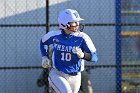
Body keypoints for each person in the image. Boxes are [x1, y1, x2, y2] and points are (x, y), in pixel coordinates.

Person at [40, 9, 98, 93]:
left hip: (76, 76)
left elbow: (95, 57)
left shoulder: (82, 37)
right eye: (74, 22)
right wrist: (44, 57)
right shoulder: (55, 35)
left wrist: (83, 55)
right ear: (64, 23)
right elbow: (43, 42)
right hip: (58, 73)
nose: (77, 24)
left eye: (77, 22)